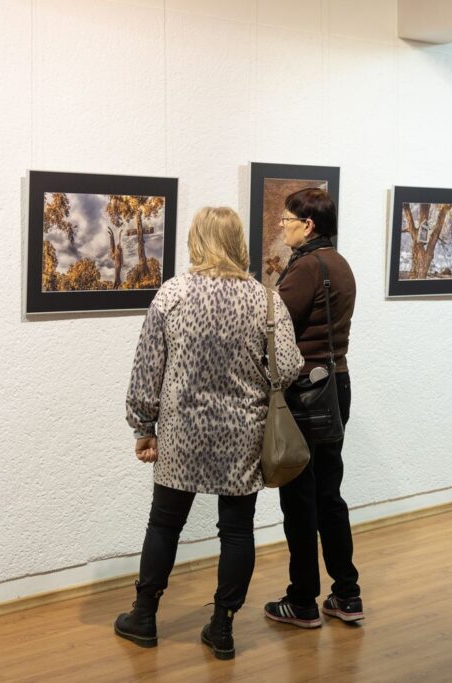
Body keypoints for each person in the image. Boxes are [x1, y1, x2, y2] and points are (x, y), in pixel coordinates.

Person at [115, 206, 304, 660]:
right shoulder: (265, 300)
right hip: (243, 433)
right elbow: (289, 367)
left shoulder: (173, 294)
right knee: (236, 531)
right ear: (239, 242)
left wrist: (143, 426)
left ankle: (144, 616)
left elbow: (147, 370)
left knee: (164, 524)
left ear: (196, 240)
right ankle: (222, 627)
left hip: (181, 431)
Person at [263, 187, 363, 628]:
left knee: (300, 498)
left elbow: (271, 325)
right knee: (329, 494)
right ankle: (347, 594)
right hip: (335, 386)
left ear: (308, 225)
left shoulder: (306, 267)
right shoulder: (339, 263)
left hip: (306, 391)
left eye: (287, 219)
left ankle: (302, 599)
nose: (280, 226)